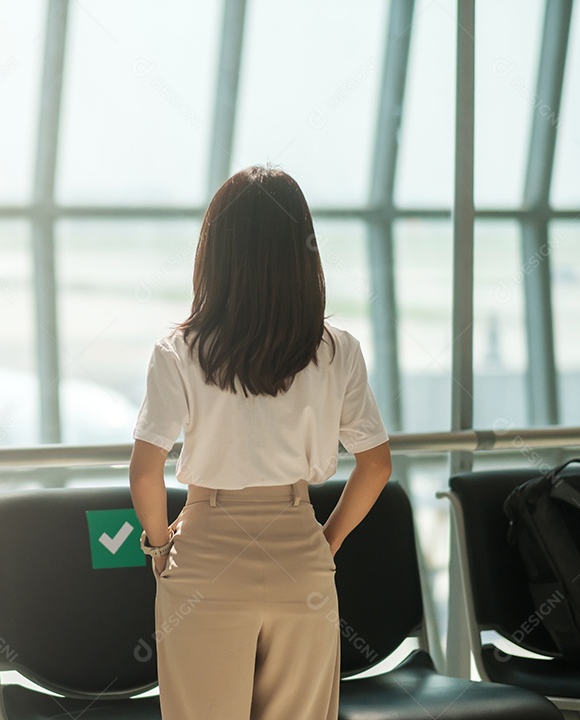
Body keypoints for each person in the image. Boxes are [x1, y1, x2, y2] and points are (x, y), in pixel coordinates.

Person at [129, 165, 392, 720]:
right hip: (301, 552)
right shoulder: (337, 349)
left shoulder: (180, 351)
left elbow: (144, 471)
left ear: (215, 253)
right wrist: (328, 541)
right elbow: (375, 464)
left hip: (205, 551)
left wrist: (158, 548)